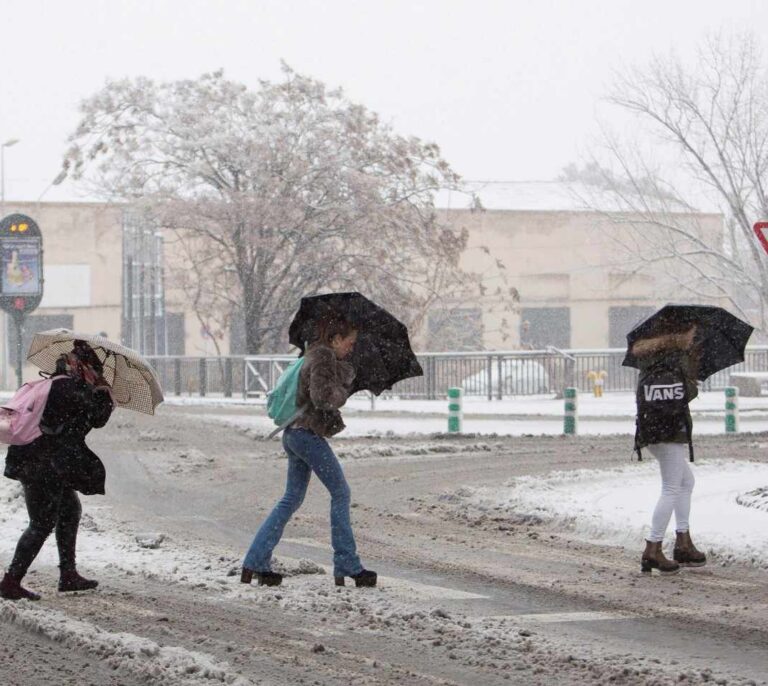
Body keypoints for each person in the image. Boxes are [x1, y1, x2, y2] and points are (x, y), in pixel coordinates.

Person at [242, 315, 377, 588]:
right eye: (349, 343)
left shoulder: (314, 354)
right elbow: (322, 397)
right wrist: (343, 387)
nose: (351, 348)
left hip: (294, 433)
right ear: (336, 339)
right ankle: (348, 564)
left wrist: (342, 374)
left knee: (291, 498)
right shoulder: (323, 357)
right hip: (306, 435)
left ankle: (255, 561)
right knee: (340, 492)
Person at [1, 341, 114, 600]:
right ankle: (10, 582)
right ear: (80, 366)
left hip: (41, 462)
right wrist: (103, 391)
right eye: (93, 369)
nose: (95, 374)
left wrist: (96, 389)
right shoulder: (67, 388)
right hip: (42, 465)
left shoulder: (57, 384)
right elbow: (96, 418)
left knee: (69, 509)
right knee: (41, 523)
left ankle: (68, 574)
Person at [632, 325, 707, 575]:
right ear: (683, 335)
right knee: (672, 487)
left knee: (686, 482)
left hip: (651, 429)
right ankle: (653, 548)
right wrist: (693, 367)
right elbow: (687, 393)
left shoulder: (650, 359)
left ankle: (683, 542)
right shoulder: (675, 361)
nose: (695, 339)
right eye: (693, 335)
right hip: (669, 430)